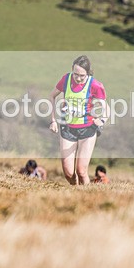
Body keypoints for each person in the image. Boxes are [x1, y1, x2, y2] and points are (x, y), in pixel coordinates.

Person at [49, 55, 108, 185]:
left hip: (88, 129)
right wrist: (53, 120)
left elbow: (106, 108)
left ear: (88, 73)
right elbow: (52, 96)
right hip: (68, 128)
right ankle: (76, 191)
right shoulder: (66, 79)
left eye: (82, 75)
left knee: (81, 171)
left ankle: (86, 197)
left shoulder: (95, 85)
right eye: (76, 74)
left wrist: (102, 120)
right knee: (69, 173)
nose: (78, 78)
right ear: (72, 70)